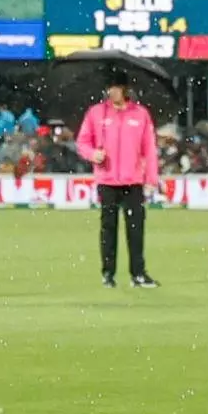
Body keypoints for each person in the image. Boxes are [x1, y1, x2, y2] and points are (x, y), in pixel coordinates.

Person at [79, 75, 161, 287]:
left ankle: (138, 274)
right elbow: (83, 141)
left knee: (136, 229)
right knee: (108, 228)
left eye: (115, 87)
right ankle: (108, 274)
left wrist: (151, 178)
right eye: (109, 87)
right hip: (107, 180)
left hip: (133, 181)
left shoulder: (140, 114)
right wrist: (92, 154)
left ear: (125, 89)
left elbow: (149, 149)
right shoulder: (96, 113)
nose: (111, 92)